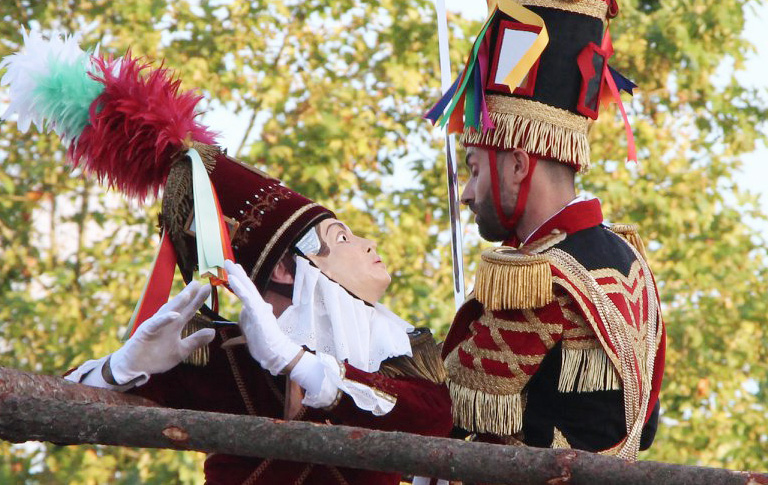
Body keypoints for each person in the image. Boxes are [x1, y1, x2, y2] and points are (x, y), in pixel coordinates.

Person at [66, 147, 452, 484]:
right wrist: (119, 368)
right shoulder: (217, 354)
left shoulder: (395, 354)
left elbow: (436, 420)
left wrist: (297, 362)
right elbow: (57, 411)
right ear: (286, 270)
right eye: (343, 238)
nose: (369, 244)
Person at [427, 0, 665, 459]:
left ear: (518, 164)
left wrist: (326, 371)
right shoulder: (628, 258)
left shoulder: (541, 279)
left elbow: (445, 404)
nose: (467, 193)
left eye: (474, 169)